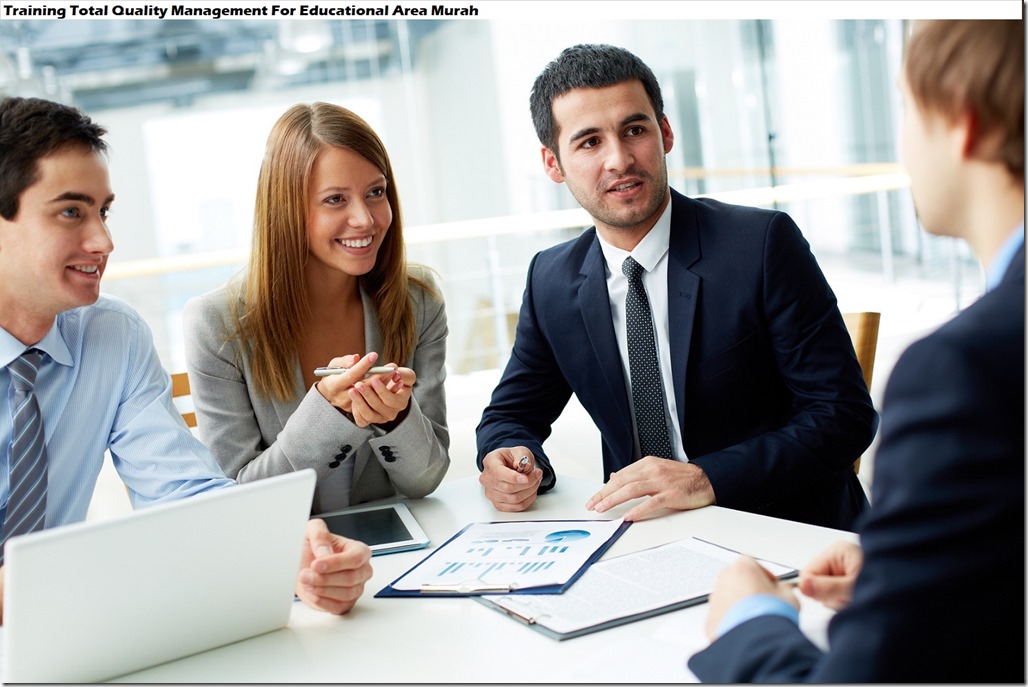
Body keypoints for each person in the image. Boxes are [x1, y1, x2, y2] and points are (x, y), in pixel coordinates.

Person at [689, 19, 1024, 682]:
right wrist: (924, 564)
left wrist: (749, 618)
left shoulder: (963, 370)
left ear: (965, 122)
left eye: (905, 106)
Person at [0, 96, 373, 622]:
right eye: (70, 212)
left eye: (103, 211)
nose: (103, 241)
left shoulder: (112, 336)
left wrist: (285, 547)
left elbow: (181, 490)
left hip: (52, 635)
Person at [476, 44, 877, 530]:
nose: (619, 159)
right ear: (553, 163)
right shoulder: (551, 279)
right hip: (647, 536)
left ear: (665, 133)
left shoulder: (762, 245)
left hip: (787, 530)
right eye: (589, 142)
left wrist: (706, 477)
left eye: (635, 130)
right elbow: (510, 414)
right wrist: (508, 456)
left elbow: (843, 416)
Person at [183, 103, 449, 515]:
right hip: (285, 561)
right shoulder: (217, 324)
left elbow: (425, 479)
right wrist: (327, 414)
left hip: (394, 551)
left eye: (375, 193)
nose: (364, 218)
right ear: (287, 211)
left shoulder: (418, 299)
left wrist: (396, 420)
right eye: (335, 199)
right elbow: (239, 499)